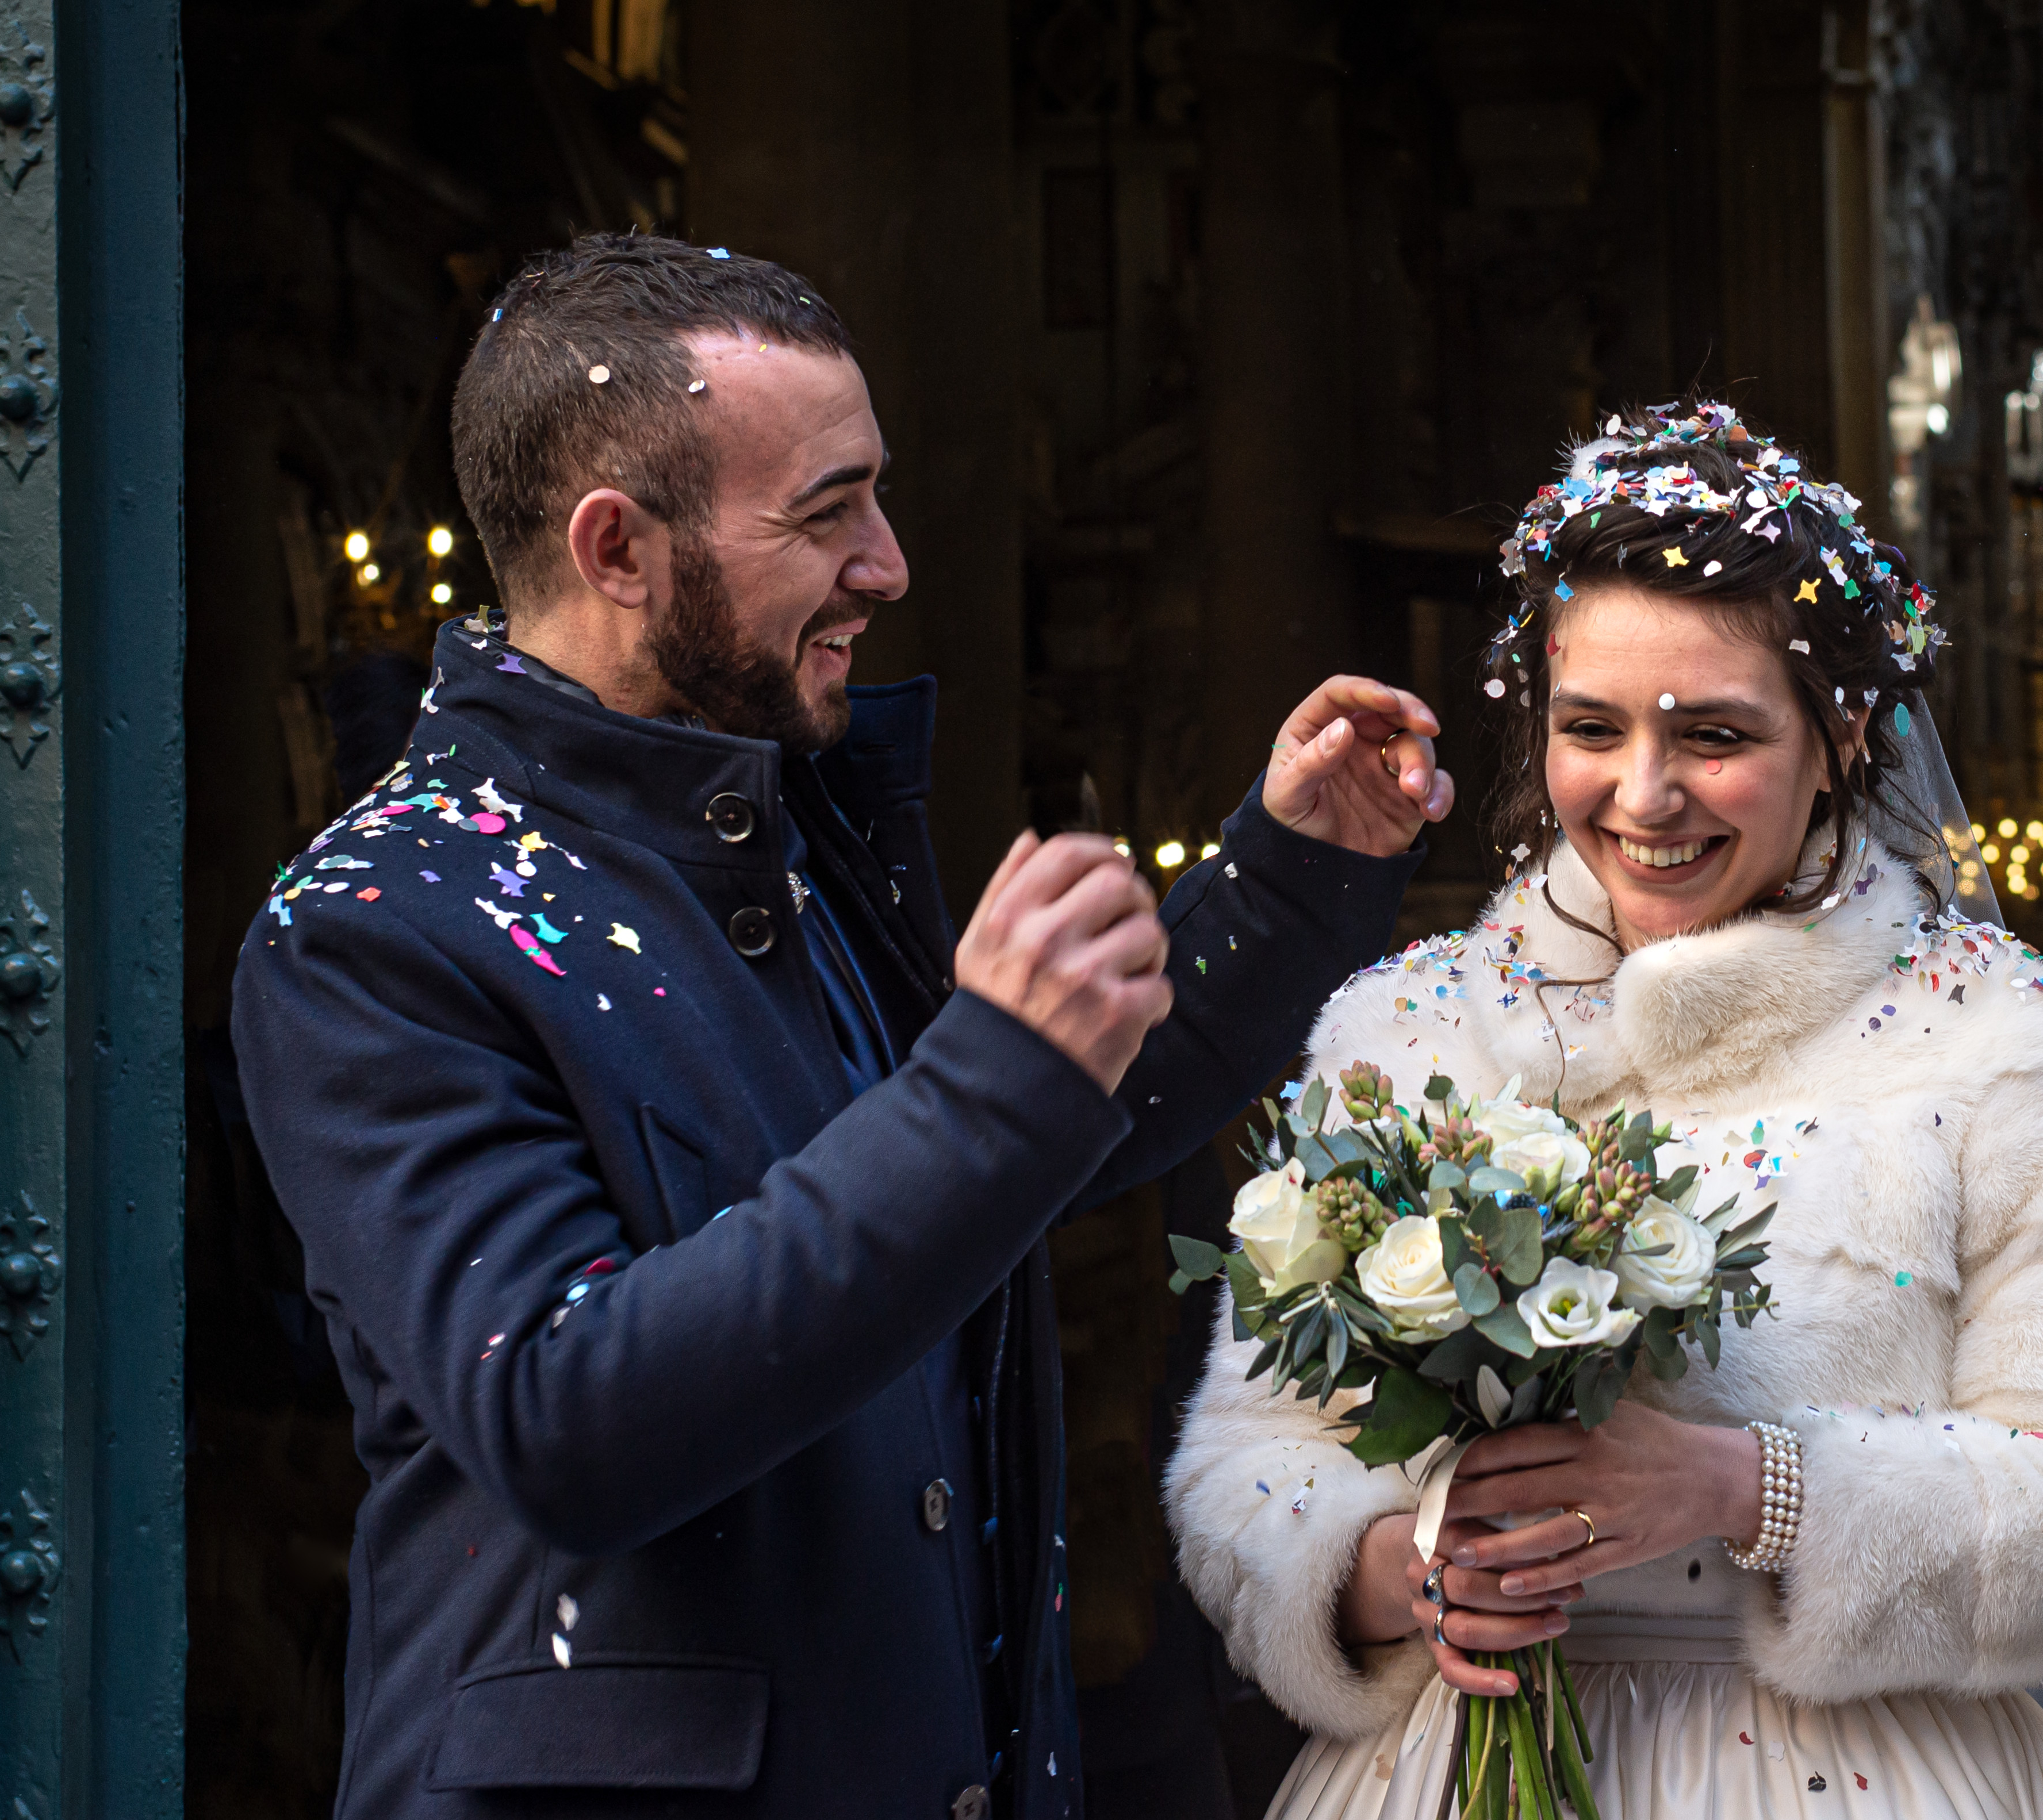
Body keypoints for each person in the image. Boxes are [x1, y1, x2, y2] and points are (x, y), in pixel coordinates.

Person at [231, 232, 1452, 1819]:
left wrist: (1287, 878)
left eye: (873, 493)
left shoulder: (788, 828)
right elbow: (564, 1413)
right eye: (824, 512)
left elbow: (1012, 1150)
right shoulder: (373, 926)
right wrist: (994, 1071)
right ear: (617, 548)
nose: (883, 561)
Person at [1167, 402, 2043, 1817]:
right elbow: (1250, 1456)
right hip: (1441, 1764)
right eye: (1590, 729)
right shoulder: (1407, 1023)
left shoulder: (2001, 1038)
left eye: (1714, 733)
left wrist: (1753, 1488)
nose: (1642, 793)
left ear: (1840, 729)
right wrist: (1391, 1577)